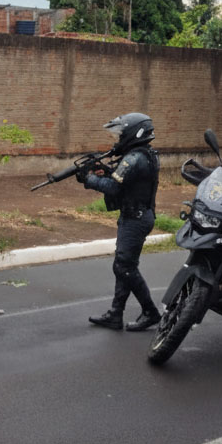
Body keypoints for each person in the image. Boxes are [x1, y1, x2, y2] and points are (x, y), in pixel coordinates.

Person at [78, 112, 161, 331]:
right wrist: (105, 171)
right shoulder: (145, 154)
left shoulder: (134, 159)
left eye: (121, 134)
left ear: (135, 133)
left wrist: (89, 180)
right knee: (125, 266)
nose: (118, 139)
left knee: (124, 266)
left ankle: (151, 312)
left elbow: (114, 187)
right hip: (137, 215)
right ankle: (116, 314)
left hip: (136, 218)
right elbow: (125, 181)